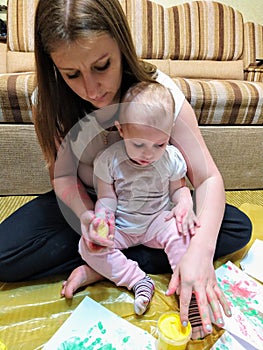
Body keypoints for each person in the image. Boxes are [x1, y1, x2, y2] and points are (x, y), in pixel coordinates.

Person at [0, 0, 252, 339]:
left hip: (153, 204)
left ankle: (104, 267)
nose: (92, 90)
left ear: (122, 47)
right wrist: (87, 217)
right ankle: (113, 258)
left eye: (102, 66)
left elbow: (206, 177)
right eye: (72, 74)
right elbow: (61, 175)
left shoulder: (160, 94)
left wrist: (201, 253)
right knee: (5, 255)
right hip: (97, 202)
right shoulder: (48, 101)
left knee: (234, 228)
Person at [78, 81, 200, 320]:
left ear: (170, 132)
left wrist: (185, 203)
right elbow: (106, 198)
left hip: (158, 222)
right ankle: (138, 281)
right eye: (138, 144)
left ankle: (188, 291)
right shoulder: (109, 160)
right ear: (121, 130)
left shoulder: (171, 158)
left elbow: (179, 190)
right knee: (86, 246)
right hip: (123, 225)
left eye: (159, 144)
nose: (148, 153)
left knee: (184, 235)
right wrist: (102, 219)